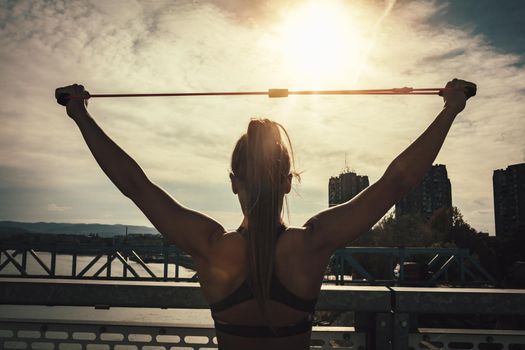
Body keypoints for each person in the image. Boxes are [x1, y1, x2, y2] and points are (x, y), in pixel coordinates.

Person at [55, 78, 475, 350]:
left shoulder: (209, 246)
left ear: (234, 181)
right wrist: (449, 109)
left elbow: (135, 185)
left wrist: (80, 115)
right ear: (289, 181)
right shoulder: (312, 244)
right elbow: (397, 182)